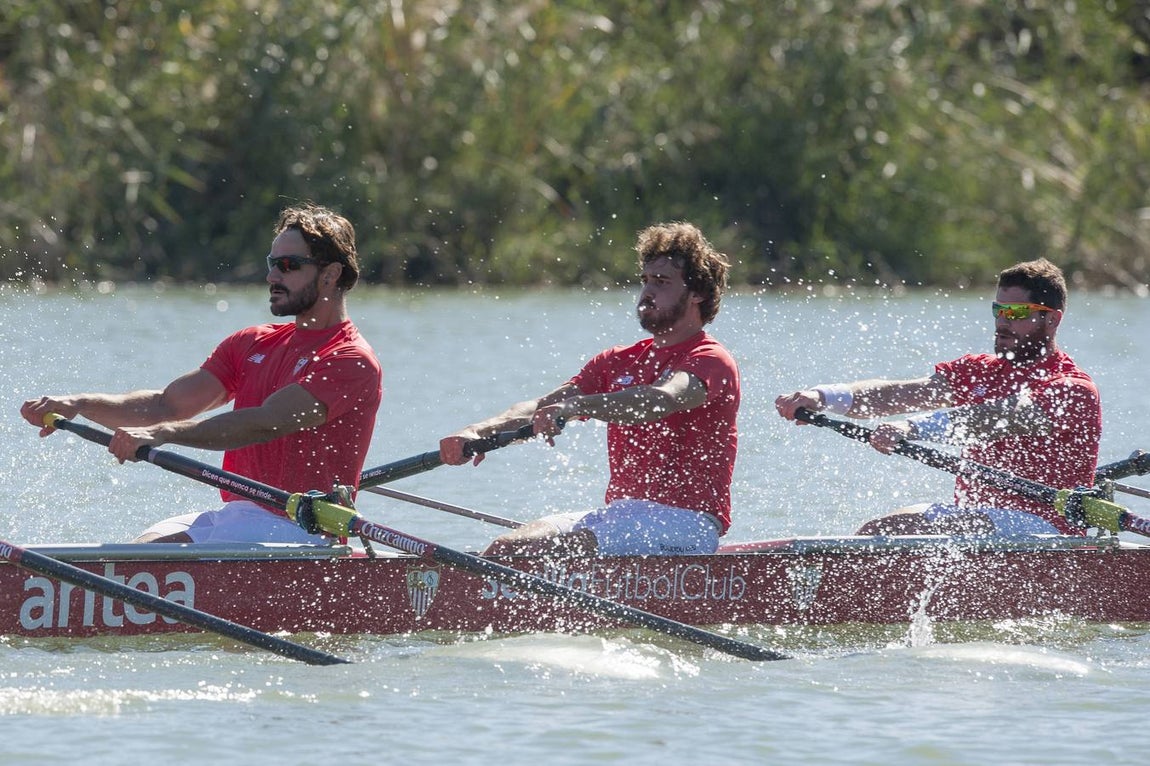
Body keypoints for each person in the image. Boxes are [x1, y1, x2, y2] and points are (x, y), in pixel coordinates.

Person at [21, 203, 383, 544]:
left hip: (302, 527)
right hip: (238, 514)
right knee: (141, 546)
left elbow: (267, 422)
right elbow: (164, 406)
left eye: (288, 265)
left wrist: (163, 434)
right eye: (272, 262)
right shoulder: (253, 343)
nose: (272, 275)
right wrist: (79, 403)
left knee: (151, 557)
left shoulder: (350, 360)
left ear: (330, 275)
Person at [439, 222, 740, 557]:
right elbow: (541, 405)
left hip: (687, 523)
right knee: (505, 549)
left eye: (662, 282)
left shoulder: (711, 359)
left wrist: (577, 408)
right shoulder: (617, 361)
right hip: (620, 515)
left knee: (554, 550)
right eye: (645, 281)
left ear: (697, 291)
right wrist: (478, 430)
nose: (647, 293)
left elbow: (661, 400)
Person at [775, 258, 1101, 536]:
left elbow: (994, 419)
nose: (1002, 322)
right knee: (875, 532)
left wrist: (911, 429)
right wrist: (823, 396)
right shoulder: (978, 371)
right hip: (980, 525)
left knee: (889, 530)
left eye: (1016, 312)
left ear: (1052, 319)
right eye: (998, 310)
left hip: (1046, 529)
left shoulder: (1072, 389)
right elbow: (898, 394)